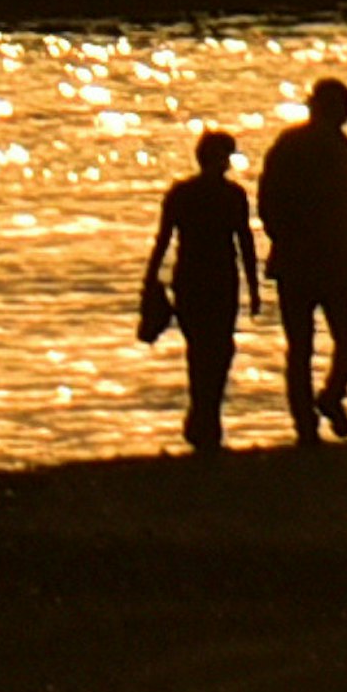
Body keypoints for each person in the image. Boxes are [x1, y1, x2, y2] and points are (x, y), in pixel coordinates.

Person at [256, 78, 347, 445]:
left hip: (312, 256)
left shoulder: (298, 147)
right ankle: (313, 416)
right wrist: (287, 237)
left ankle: (318, 410)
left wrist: (282, 238)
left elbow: (267, 200)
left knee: (314, 345)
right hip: (320, 256)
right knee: (330, 341)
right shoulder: (324, 150)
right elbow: (269, 201)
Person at [143, 128, 260, 453]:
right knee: (218, 349)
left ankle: (203, 418)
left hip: (193, 279)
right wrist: (253, 287)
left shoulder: (182, 193)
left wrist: (150, 279)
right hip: (218, 279)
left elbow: (163, 240)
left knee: (201, 351)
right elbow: (244, 243)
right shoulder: (231, 195)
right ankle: (207, 418)